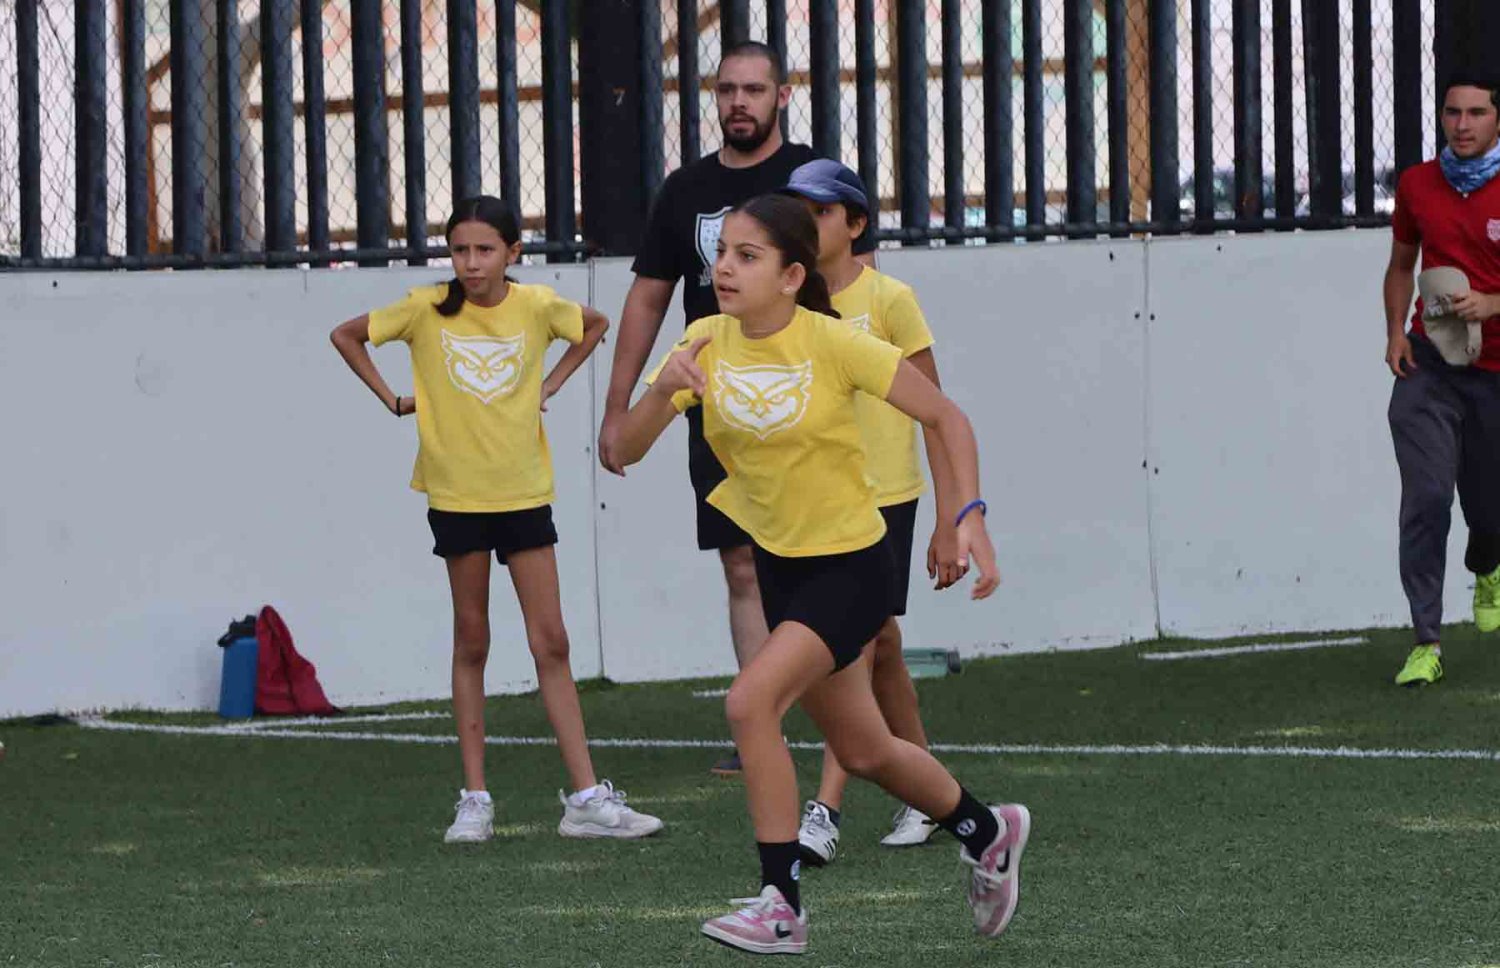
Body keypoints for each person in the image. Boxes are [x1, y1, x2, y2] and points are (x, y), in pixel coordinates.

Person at [616, 194, 1029, 955]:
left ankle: (782, 903)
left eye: (748, 256)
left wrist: (965, 513)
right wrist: (661, 389)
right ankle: (987, 829)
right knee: (867, 750)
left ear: (791, 274)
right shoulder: (704, 341)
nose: (724, 268)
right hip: (784, 573)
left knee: (749, 703)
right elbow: (619, 451)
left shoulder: (835, 344)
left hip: (852, 566)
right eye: (723, 252)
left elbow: (947, 418)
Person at [329, 195, 663, 842]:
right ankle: (475, 799)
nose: (471, 263)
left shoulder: (537, 306)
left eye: (485, 250)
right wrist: (395, 401)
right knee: (472, 640)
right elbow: (346, 335)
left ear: (514, 252)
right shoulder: (424, 308)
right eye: (459, 250)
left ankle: (587, 799)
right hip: (456, 497)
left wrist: (553, 384)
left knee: (552, 641)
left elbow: (594, 326)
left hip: (523, 492)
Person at [596, 41, 876, 776]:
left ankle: (850, 737)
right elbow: (649, 294)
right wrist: (619, 405)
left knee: (822, 567)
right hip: (721, 406)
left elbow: (857, 280)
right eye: (727, 90)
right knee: (744, 566)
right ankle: (767, 725)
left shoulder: (811, 179)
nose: (739, 103)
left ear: (783, 95)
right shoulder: (685, 188)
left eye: (755, 89)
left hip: (809, 407)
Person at [777, 159, 959, 864]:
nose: (806, 224)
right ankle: (928, 793)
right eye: (797, 211)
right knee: (878, 652)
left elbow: (939, 416)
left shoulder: (891, 299)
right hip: (821, 499)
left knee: (854, 646)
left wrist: (950, 518)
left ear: (854, 223)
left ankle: (825, 809)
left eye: (820, 212)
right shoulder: (787, 303)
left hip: (887, 497)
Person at [1385, 74, 1500, 687]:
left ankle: (1489, 558)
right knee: (1427, 498)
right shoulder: (1417, 185)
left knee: (1490, 509)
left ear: (1497, 118)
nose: (1462, 124)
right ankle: (1426, 639)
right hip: (1429, 366)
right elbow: (1401, 265)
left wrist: (1493, 303)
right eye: (1453, 112)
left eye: (1476, 113)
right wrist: (1395, 332)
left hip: (1496, 374)